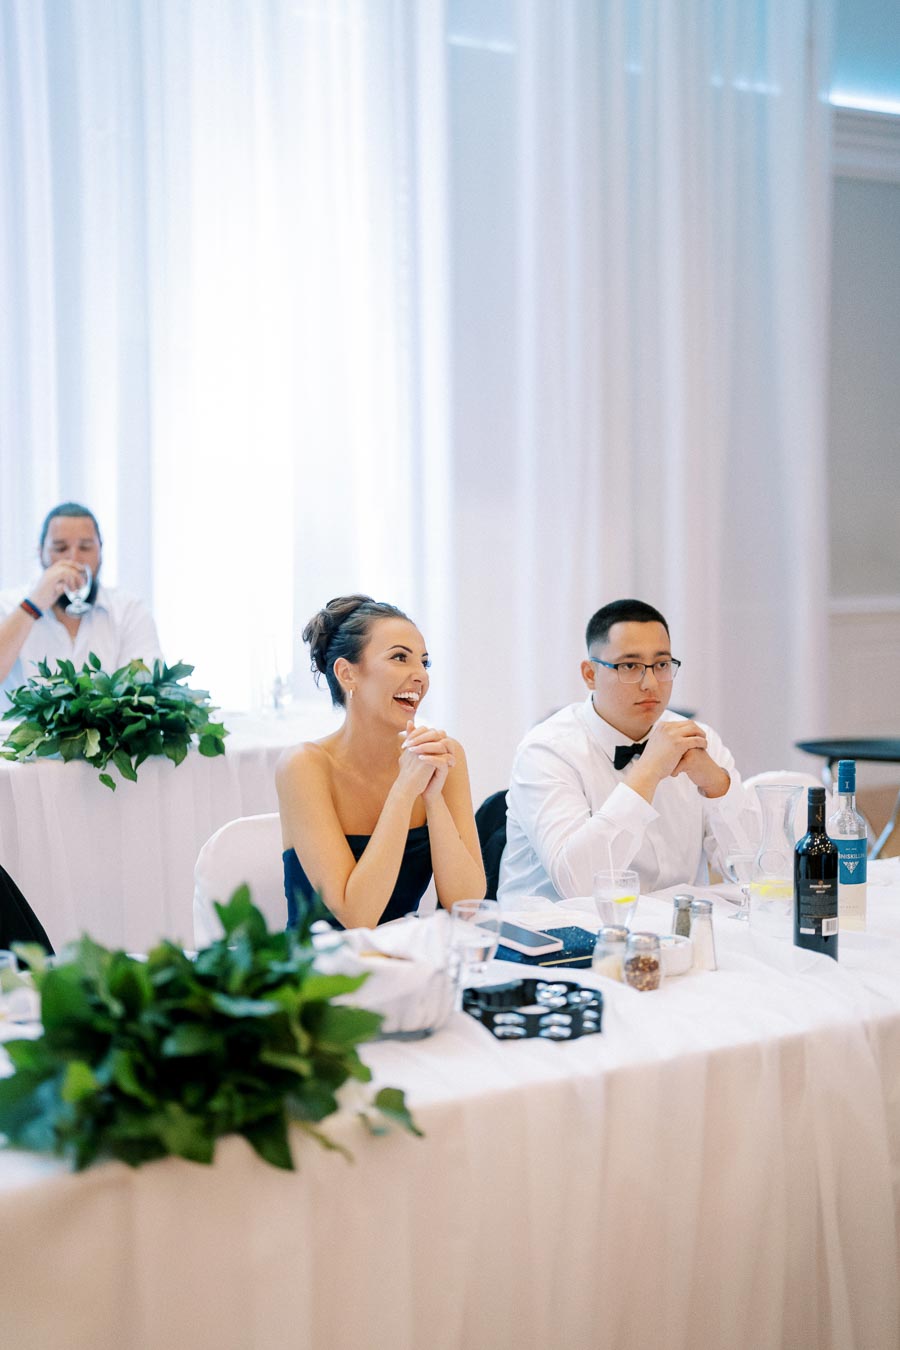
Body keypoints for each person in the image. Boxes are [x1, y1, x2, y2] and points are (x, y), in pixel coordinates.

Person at [498, 598, 757, 900]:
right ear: (590, 675)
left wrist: (717, 785)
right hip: (557, 935)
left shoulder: (700, 741)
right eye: (630, 666)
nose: (650, 683)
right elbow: (578, 886)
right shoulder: (546, 751)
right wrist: (648, 771)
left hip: (669, 934)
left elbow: (757, 875)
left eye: (661, 665)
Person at [276, 595, 485, 930]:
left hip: (405, 963)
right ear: (347, 674)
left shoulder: (444, 755)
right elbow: (357, 918)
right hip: (320, 973)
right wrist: (404, 791)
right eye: (400, 657)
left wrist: (432, 797)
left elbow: (467, 905)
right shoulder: (304, 766)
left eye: (425, 663)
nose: (420, 676)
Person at [0, 503, 163, 696]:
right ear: (40, 553)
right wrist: (33, 605)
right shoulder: (6, 607)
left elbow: (148, 690)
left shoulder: (129, 611)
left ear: (100, 551)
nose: (73, 559)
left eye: (85, 547)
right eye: (60, 548)